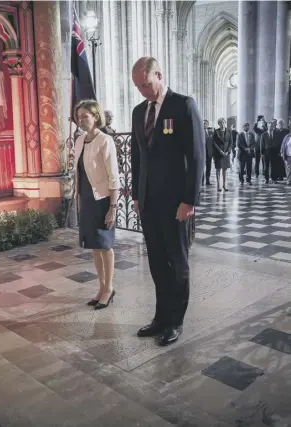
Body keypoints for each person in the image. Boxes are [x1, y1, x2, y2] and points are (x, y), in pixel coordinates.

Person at [130, 57, 204, 346]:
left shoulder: (182, 105)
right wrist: (137, 195)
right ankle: (160, 317)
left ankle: (175, 322)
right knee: (158, 263)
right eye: (137, 86)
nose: (142, 91)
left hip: (176, 204)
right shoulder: (139, 112)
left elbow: (197, 156)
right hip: (149, 203)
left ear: (159, 75)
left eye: (146, 84)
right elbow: (138, 157)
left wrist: (189, 200)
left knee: (178, 262)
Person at [74, 100, 119, 310]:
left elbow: (113, 177)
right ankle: (101, 287)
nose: (81, 120)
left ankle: (109, 288)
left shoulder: (105, 140)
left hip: (102, 200)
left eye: (85, 116)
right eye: (79, 116)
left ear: (95, 116)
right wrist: (80, 201)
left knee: (105, 245)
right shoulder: (80, 140)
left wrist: (113, 207)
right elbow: (79, 174)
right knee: (94, 245)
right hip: (87, 198)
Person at [212, 118, 233, 191]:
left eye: (224, 122)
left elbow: (231, 142)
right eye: (221, 123)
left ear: (225, 123)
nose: (223, 124)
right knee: (218, 169)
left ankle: (224, 185)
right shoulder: (216, 131)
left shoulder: (229, 131)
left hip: (226, 153)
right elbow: (214, 143)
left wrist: (228, 151)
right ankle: (218, 185)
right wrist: (220, 151)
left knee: (225, 170)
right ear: (219, 124)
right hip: (218, 153)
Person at [203, 119, 214, 185]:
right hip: (202, 153)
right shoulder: (199, 131)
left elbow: (213, 143)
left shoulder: (211, 132)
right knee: (201, 168)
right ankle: (201, 181)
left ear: (208, 124)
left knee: (208, 167)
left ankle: (207, 180)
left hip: (209, 153)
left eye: (206, 123)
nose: (205, 125)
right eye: (204, 123)